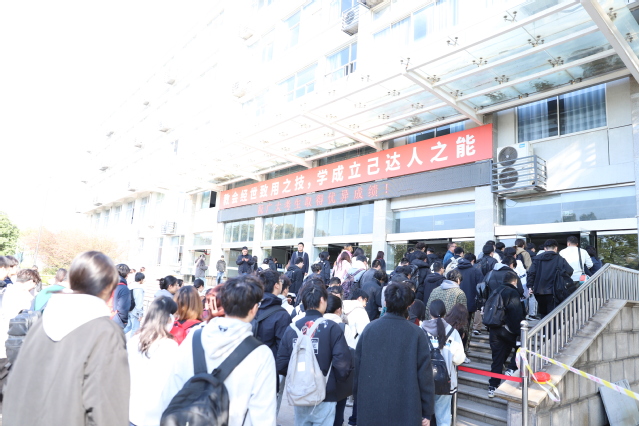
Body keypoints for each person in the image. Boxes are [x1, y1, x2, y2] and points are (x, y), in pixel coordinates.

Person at [3, 251, 129, 425]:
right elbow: (108, 410)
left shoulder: (41, 322)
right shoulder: (105, 332)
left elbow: (15, 386)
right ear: (109, 287)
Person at [162, 275, 277, 425]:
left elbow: (171, 391)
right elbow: (262, 418)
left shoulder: (194, 337)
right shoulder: (261, 355)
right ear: (254, 309)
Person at [354, 282, 434, 426]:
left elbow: (357, 371)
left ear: (385, 302)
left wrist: (358, 401)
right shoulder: (416, 334)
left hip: (371, 407)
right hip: (407, 408)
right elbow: (425, 377)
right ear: (409, 304)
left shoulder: (370, 329)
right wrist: (427, 411)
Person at [276, 282, 352, 426]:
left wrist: (299, 377)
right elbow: (342, 365)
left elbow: (281, 364)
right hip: (326, 393)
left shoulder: (292, 328)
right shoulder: (332, 328)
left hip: (300, 393)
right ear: (322, 300)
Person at [127, 297, 179, 426]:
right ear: (168, 318)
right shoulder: (169, 345)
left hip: (129, 409)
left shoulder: (135, 339)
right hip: (153, 413)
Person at [422, 300, 465, 426]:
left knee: (423, 418)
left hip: (424, 381)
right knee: (444, 418)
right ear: (445, 313)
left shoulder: (421, 329)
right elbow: (459, 359)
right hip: (446, 382)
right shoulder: (453, 332)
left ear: (429, 312)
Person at [487, 271, 525, 398]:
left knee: (497, 359)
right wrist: (519, 332)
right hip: (506, 329)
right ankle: (511, 368)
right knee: (521, 346)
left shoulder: (495, 291)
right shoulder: (512, 292)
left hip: (493, 329)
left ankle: (492, 387)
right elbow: (516, 314)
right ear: (515, 282)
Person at [324, 294, 355, 426]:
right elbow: (351, 354)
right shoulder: (343, 328)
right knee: (337, 416)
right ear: (338, 310)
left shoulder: (315, 324)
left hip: (316, 379)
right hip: (338, 382)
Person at [528, 239, 574, 317]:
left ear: (545, 248)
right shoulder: (560, 259)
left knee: (543, 313)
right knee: (554, 314)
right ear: (556, 248)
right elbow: (569, 271)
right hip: (554, 291)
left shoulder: (537, 259)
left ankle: (544, 324)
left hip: (539, 291)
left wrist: (530, 286)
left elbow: (531, 273)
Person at [255, 269, 291, 359]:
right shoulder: (282, 315)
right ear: (276, 285)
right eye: (280, 281)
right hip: (269, 363)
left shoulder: (250, 308)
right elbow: (283, 350)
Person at [455, 253, 484, 341]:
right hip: (470, 303)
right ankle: (464, 345)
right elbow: (481, 288)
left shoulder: (455, 270)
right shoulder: (475, 271)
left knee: (456, 325)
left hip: (455, 303)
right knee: (466, 327)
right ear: (472, 261)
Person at [110, 263, 131, 329]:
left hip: (104, 318)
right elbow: (123, 308)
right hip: (115, 321)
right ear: (127, 275)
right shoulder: (123, 288)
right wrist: (123, 321)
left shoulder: (107, 284)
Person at [124, 272, 145, 336]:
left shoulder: (129, 286)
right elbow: (139, 303)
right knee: (135, 329)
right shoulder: (138, 288)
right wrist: (140, 314)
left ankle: (116, 336)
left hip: (128, 309)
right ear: (141, 279)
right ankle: (131, 342)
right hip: (135, 311)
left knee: (128, 327)